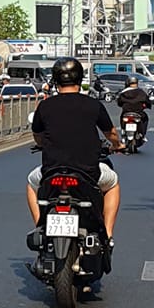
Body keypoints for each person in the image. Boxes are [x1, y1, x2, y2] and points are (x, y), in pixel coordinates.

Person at [26, 56, 123, 244]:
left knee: (31, 185)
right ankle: (108, 234)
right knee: (113, 185)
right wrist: (117, 145)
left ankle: (40, 225)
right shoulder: (93, 105)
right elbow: (110, 133)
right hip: (89, 173)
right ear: (80, 79)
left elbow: (37, 135)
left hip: (51, 172)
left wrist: (42, 143)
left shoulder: (45, 105)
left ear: (55, 80)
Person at [114, 77, 152, 144]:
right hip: (138, 113)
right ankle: (142, 134)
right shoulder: (141, 92)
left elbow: (119, 103)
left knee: (122, 118)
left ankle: (123, 130)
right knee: (145, 119)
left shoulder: (123, 92)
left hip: (126, 112)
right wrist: (148, 106)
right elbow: (147, 101)